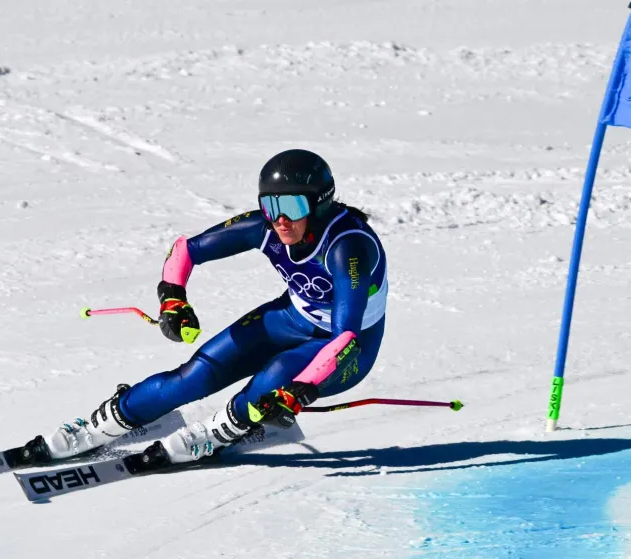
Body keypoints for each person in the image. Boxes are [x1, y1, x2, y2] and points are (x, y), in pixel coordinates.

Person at [36, 149, 389, 464]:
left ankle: (217, 432)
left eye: (293, 206)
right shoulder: (265, 227)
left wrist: (305, 387)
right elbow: (185, 250)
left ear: (320, 204)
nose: (280, 220)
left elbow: (346, 336)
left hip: (348, 348)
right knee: (195, 374)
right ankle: (105, 423)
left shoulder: (348, 247)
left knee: (275, 376)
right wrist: (173, 298)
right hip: (291, 317)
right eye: (272, 205)